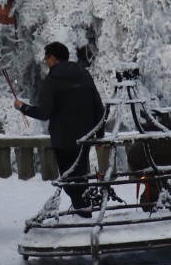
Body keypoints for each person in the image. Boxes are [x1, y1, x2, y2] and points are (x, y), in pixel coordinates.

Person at [13, 42, 105, 212]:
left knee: (69, 178)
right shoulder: (84, 75)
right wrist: (99, 134)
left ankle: (82, 211)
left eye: (46, 58)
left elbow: (44, 113)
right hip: (85, 136)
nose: (45, 61)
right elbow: (97, 106)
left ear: (53, 58)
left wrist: (22, 107)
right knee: (81, 176)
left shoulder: (52, 80)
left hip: (63, 139)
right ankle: (84, 209)